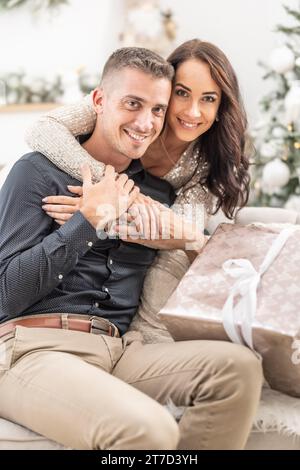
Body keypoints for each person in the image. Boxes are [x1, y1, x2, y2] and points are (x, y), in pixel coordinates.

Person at [0, 46, 262, 451]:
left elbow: (200, 258)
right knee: (149, 431)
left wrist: (182, 235)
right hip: (32, 348)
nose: (146, 122)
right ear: (99, 101)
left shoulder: (157, 195)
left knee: (239, 370)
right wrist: (88, 221)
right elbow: (5, 296)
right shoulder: (36, 171)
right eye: (133, 104)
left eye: (157, 110)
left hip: (120, 350)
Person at [27, 39, 251, 344]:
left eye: (209, 98)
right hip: (109, 195)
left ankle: (146, 339)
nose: (193, 111)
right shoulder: (125, 106)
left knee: (176, 252)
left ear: (221, 105)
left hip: (151, 224)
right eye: (182, 93)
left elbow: (175, 234)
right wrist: (114, 189)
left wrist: (112, 209)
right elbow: (41, 130)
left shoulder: (207, 161)